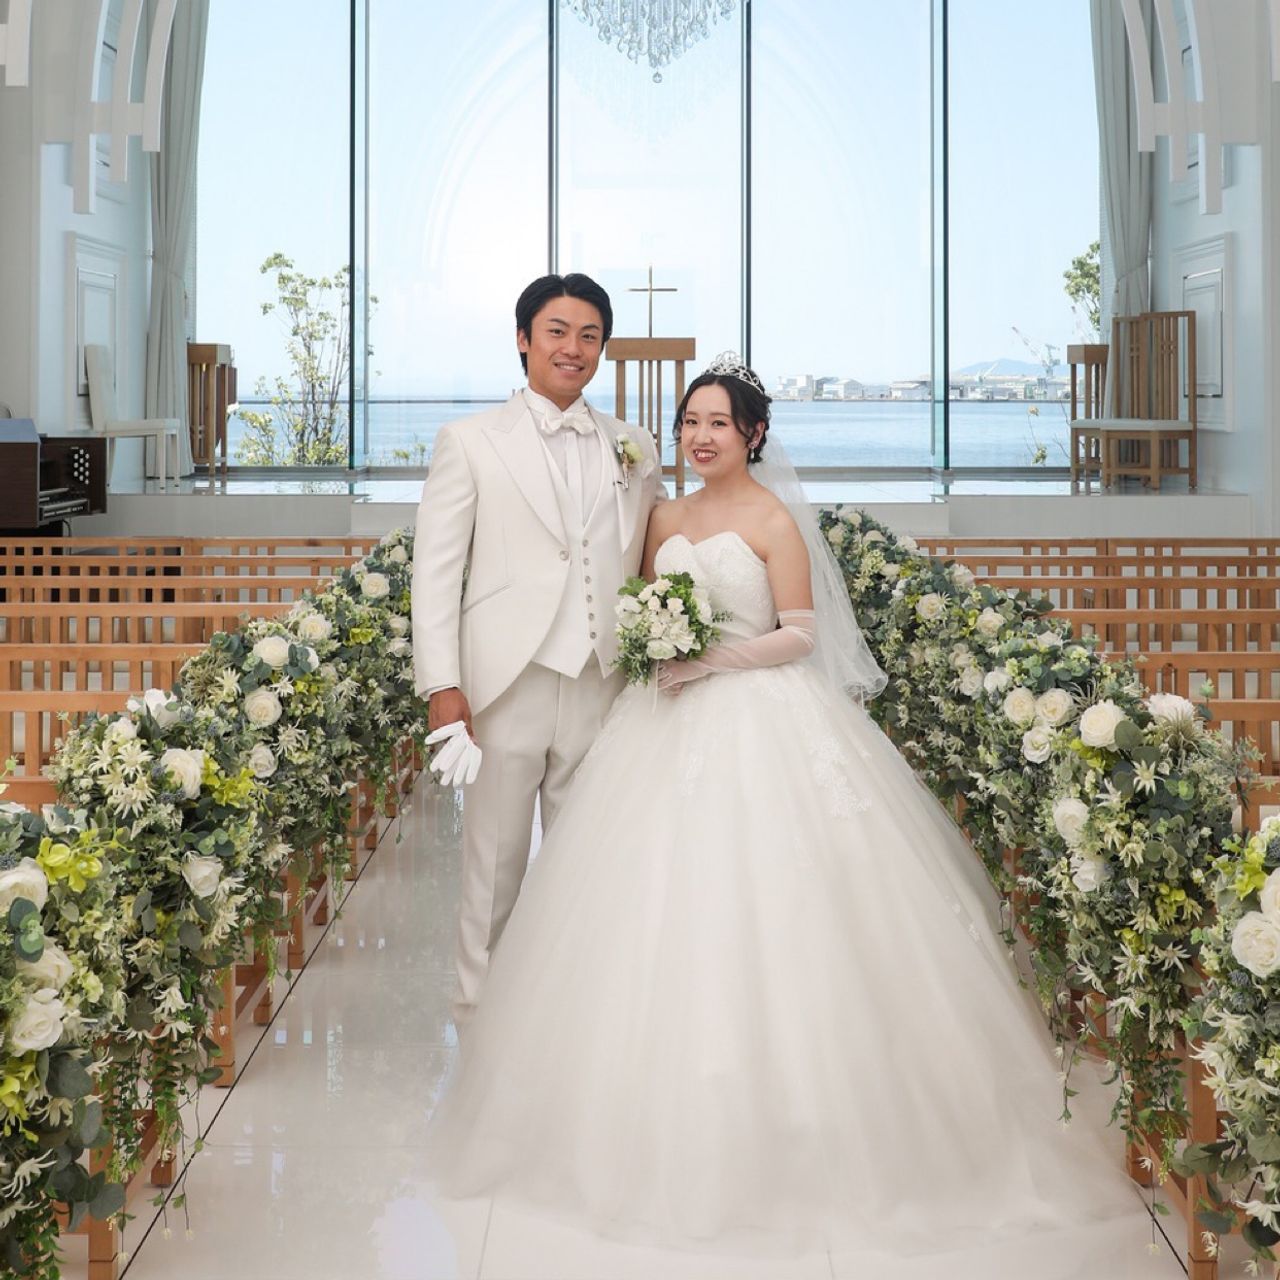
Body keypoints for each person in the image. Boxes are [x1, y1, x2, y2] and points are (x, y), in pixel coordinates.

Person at [422, 353, 1151, 1271]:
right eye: (690, 422)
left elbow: (801, 634)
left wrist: (708, 660)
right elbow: (636, 599)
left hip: (759, 716)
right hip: (658, 722)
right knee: (638, 907)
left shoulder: (774, 519)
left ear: (754, 434)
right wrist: (655, 646)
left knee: (786, 904)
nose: (699, 437)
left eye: (718, 423)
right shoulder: (662, 516)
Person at [411, 272, 665, 1029]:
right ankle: (477, 1012)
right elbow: (436, 572)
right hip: (505, 685)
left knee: (591, 861)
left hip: (603, 680)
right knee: (494, 864)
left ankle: (578, 1018)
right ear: (524, 339)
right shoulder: (469, 441)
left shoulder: (634, 445)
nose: (573, 348)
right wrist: (442, 685)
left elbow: (643, 556)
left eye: (589, 335)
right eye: (557, 331)